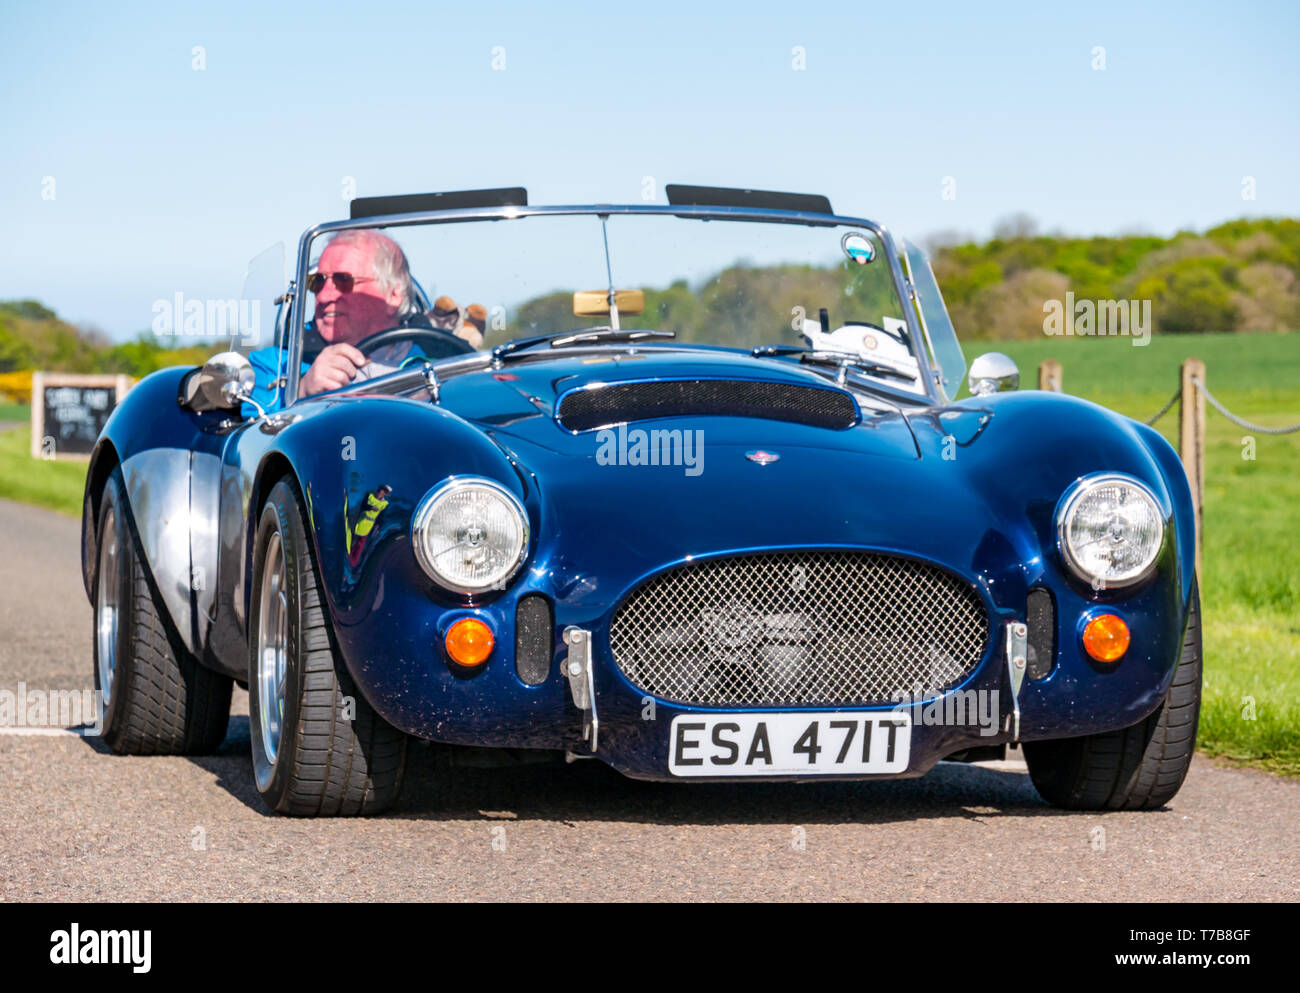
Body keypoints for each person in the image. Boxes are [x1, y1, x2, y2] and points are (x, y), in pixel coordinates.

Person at [245, 228, 437, 412]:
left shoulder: (439, 359)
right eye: (317, 282)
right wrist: (301, 391)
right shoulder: (277, 365)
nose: (324, 296)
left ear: (394, 294)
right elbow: (254, 427)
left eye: (343, 280)